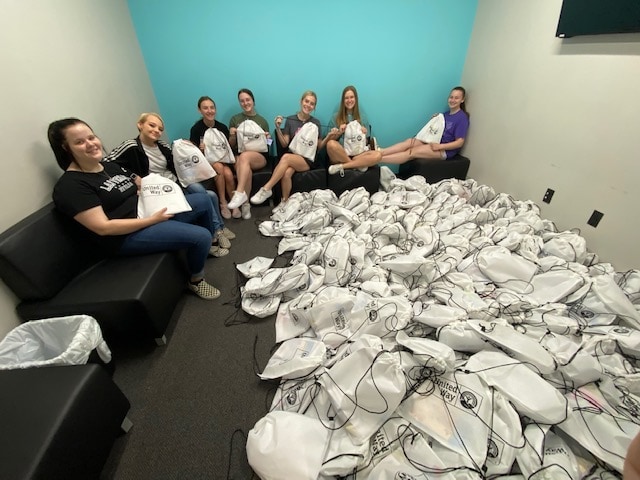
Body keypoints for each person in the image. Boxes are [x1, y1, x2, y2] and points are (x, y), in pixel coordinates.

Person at [48, 118, 222, 300]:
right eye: (79, 142)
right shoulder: (70, 185)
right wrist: (151, 220)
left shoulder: (109, 166)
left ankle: (206, 247)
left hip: (146, 213)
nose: (90, 144)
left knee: (203, 199)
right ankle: (196, 280)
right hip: (124, 237)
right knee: (200, 236)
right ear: (65, 148)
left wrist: (157, 195)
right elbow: (103, 227)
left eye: (91, 137)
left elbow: (140, 182)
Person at [105, 112, 234, 254]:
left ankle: (219, 228)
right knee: (204, 196)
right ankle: (217, 232)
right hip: (158, 192)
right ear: (140, 125)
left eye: (160, 129)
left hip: (175, 183)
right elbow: (107, 163)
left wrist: (188, 147)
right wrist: (133, 176)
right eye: (152, 125)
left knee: (210, 194)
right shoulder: (131, 146)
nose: (156, 131)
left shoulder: (162, 146)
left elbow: (178, 163)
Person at [327, 86, 469, 174]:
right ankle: (376, 154)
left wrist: (364, 131)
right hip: (344, 152)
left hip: (441, 148)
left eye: (456, 98)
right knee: (409, 141)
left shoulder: (462, 118)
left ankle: (377, 156)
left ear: (462, 100)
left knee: (410, 152)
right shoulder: (444, 115)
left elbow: (459, 142)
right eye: (451, 97)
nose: (452, 100)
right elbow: (327, 140)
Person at [250, 90, 329, 206]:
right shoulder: (291, 120)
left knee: (286, 157)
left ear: (314, 107)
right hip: (294, 156)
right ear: (301, 101)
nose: (308, 105)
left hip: (308, 159)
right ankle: (284, 203)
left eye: (312, 103)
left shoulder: (316, 122)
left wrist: (330, 136)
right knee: (286, 173)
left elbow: (320, 146)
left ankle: (266, 189)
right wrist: (277, 128)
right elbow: (284, 144)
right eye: (306, 101)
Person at [189, 96, 238, 220]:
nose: (209, 111)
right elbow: (193, 153)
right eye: (205, 108)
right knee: (219, 167)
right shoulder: (196, 129)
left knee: (227, 173)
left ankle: (233, 202)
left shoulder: (221, 127)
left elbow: (228, 148)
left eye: (212, 107)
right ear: (199, 110)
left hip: (222, 159)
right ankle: (223, 202)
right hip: (206, 161)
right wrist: (200, 149)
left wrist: (232, 136)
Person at [226, 88, 271, 219]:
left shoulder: (262, 121)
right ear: (240, 103)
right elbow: (232, 145)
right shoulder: (235, 119)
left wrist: (268, 137)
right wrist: (232, 134)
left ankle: (239, 193)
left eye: (248, 100)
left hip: (259, 157)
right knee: (244, 163)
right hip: (240, 156)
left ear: (253, 101)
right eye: (242, 101)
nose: (245, 103)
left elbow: (269, 144)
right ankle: (246, 205)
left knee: (244, 157)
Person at [324, 85, 382, 171]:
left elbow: (366, 143)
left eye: (351, 97)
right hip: (341, 154)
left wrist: (363, 134)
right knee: (331, 144)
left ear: (356, 99)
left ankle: (345, 166)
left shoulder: (363, 118)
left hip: (358, 155)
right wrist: (339, 132)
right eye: (346, 98)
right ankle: (356, 165)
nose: (349, 100)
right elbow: (328, 142)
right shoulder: (335, 117)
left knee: (378, 155)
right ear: (343, 101)